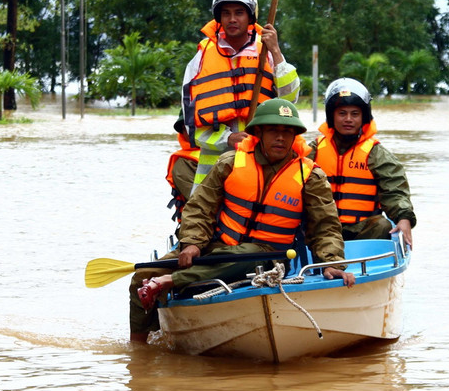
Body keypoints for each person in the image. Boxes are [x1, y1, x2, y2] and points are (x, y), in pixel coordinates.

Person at [137, 99, 355, 313]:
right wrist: (192, 243)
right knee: (140, 276)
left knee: (248, 254)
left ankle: (170, 281)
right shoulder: (230, 162)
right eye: (272, 130)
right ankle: (140, 342)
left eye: (288, 132)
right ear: (258, 133)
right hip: (218, 246)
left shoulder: (310, 176)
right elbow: (199, 207)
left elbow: (325, 227)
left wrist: (332, 262)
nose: (280, 138)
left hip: (268, 255)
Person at [181, 0, 300, 194]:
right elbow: (191, 124)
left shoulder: (268, 51)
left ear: (250, 17)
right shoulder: (201, 58)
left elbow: (290, 99)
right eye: (226, 14)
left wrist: (276, 50)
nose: (232, 19)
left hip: (261, 159)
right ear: (219, 19)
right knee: (198, 223)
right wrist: (227, 138)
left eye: (239, 13)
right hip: (213, 168)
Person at [308, 78, 416, 246]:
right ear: (332, 116)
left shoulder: (375, 153)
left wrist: (404, 218)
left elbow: (394, 190)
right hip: (321, 228)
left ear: (363, 117)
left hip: (360, 230)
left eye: (355, 114)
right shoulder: (313, 150)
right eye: (342, 113)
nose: (348, 119)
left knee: (382, 225)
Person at [128, 112, 198, 343]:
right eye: (191, 127)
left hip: (241, 237)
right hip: (195, 239)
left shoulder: (241, 155)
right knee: (142, 278)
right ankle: (139, 349)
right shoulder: (185, 163)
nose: (196, 131)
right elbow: (203, 204)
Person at [166, 111, 199, 226]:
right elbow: (199, 204)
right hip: (199, 228)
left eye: (195, 125)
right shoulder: (183, 164)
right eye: (186, 127)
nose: (191, 131)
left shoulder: (228, 151)